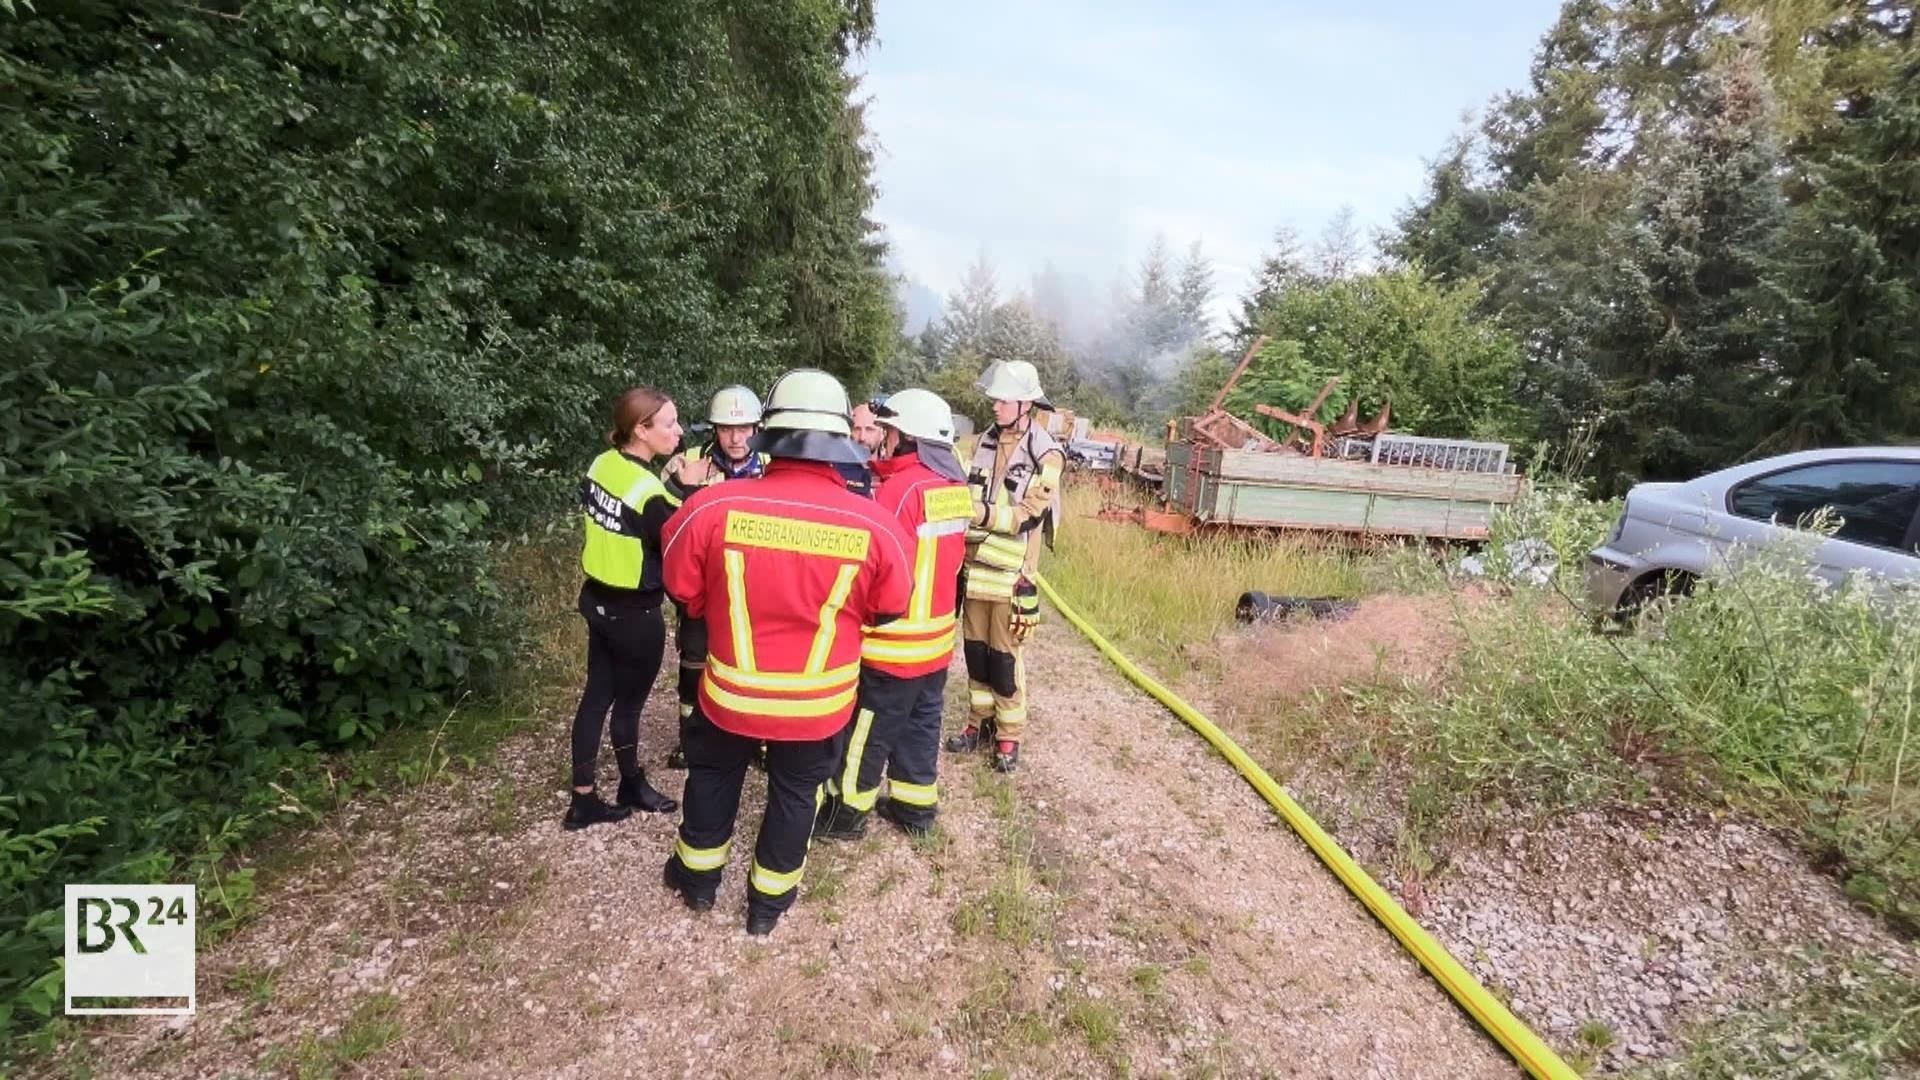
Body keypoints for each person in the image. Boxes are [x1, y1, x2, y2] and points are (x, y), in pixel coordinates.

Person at [659, 369, 913, 935]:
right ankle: (766, 907)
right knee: (797, 792)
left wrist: (713, 606)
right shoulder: (874, 524)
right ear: (838, 440)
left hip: (731, 692)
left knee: (714, 776)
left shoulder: (711, 507)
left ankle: (698, 882)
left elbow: (682, 586)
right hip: (817, 701)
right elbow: (890, 606)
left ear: (767, 432)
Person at [817, 389, 971, 840]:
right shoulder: (954, 487)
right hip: (936, 640)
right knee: (922, 724)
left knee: (867, 731)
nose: (882, 438)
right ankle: (914, 807)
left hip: (895, 643)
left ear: (907, 436)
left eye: (887, 430)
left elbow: (878, 564)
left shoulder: (901, 491)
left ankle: (845, 815)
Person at [565, 388, 684, 830]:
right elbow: (672, 541)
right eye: (670, 423)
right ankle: (631, 784)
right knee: (629, 705)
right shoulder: (649, 492)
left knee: (597, 696)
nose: (678, 430)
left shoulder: (601, 463)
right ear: (641, 430)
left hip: (597, 599)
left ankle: (583, 798)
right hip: (635, 612)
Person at [946, 359, 1063, 774]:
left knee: (1004, 659)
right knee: (976, 655)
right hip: (975, 569)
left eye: (1003, 399)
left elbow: (1027, 514)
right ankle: (978, 724)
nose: (994, 405)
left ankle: (1009, 737)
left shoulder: (1047, 453)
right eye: (994, 397)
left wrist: (977, 513)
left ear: (1025, 405)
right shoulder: (982, 442)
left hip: (1013, 575)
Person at [660, 386, 769, 771]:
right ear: (714, 430)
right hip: (703, 590)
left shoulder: (774, 465)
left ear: (758, 426)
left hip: (758, 591)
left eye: (744, 429)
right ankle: (691, 741)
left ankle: (755, 741)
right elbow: (666, 528)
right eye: (726, 429)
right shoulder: (687, 463)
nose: (736, 439)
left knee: (756, 667)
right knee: (694, 664)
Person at [834, 398, 883, 497]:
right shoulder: (835, 472)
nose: (862, 437)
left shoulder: (892, 474)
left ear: (882, 433)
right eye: (857, 429)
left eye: (869, 429)